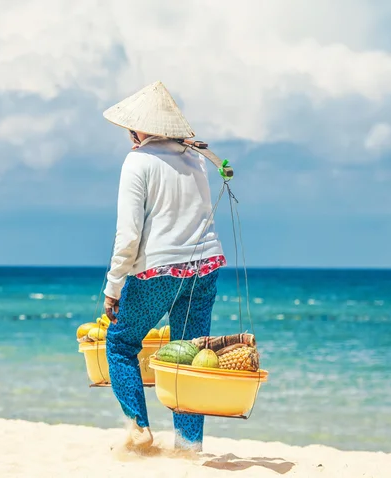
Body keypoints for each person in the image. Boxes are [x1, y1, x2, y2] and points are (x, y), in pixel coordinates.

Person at [101, 81, 227, 453]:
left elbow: (128, 236)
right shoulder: (195, 159)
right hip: (206, 265)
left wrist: (112, 287)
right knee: (186, 355)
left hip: (159, 271)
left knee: (121, 343)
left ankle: (139, 429)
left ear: (139, 128)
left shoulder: (138, 161)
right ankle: (189, 447)